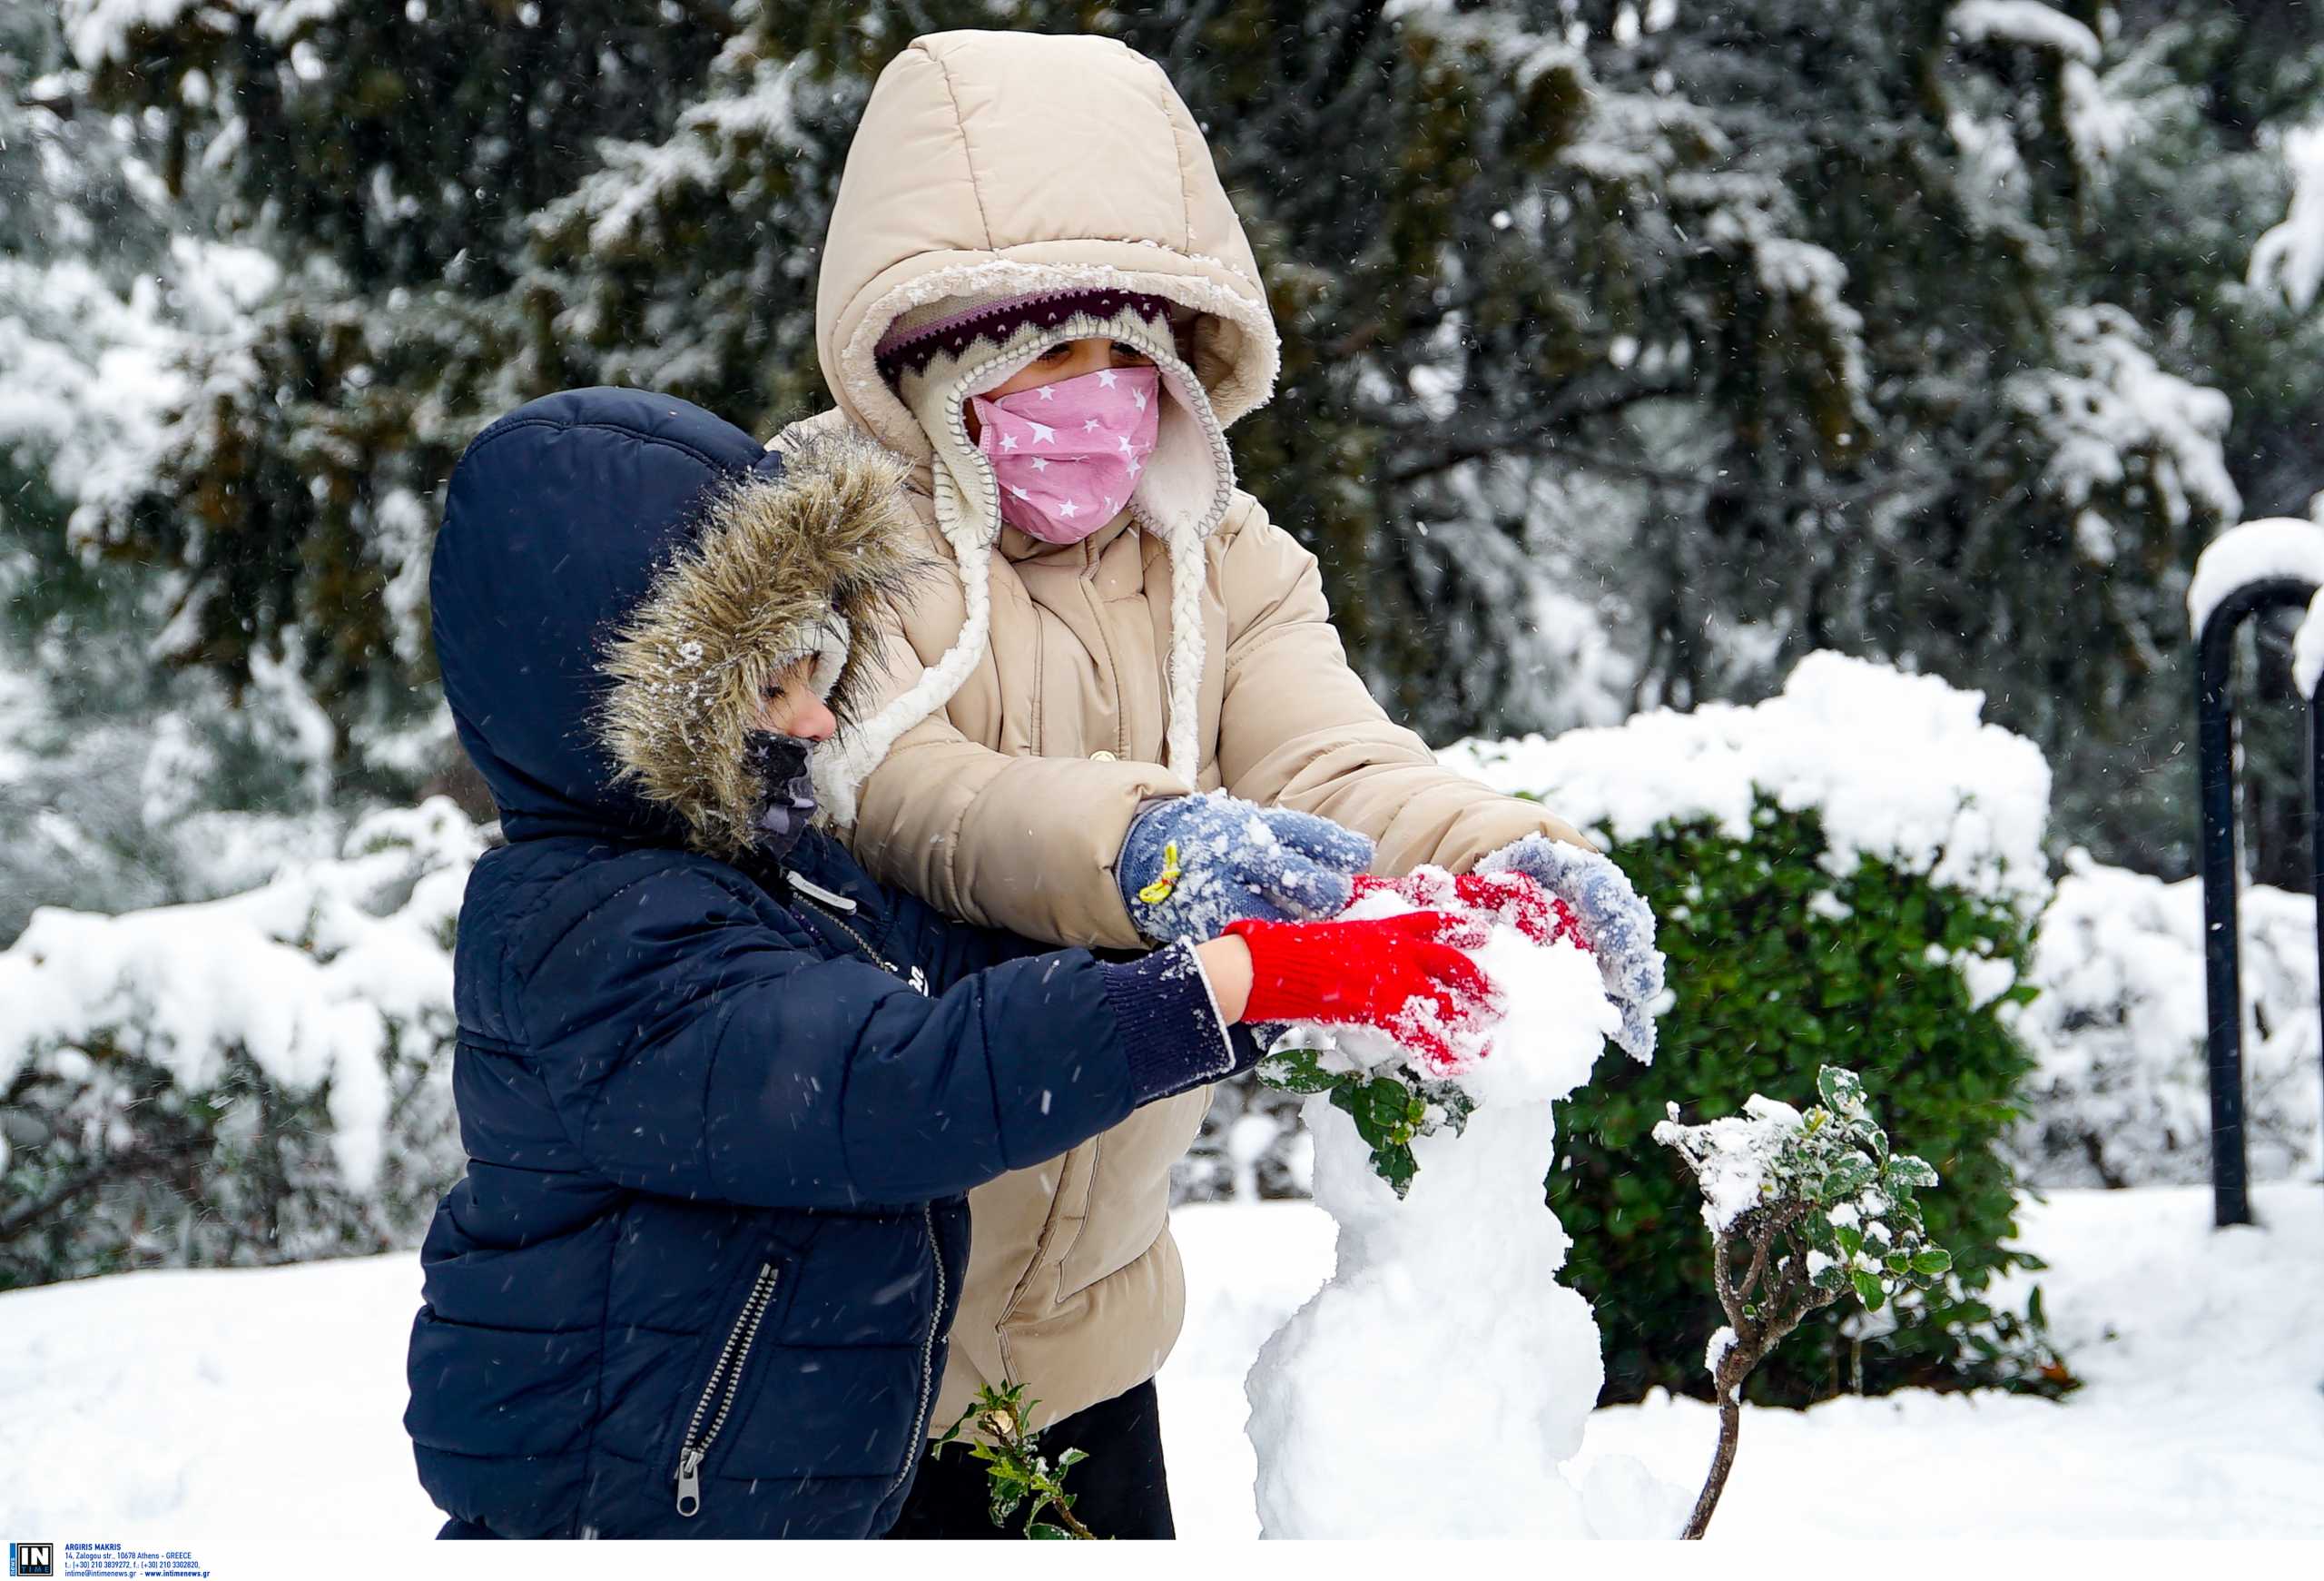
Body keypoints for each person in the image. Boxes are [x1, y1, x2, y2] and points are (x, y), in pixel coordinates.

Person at [770, 29, 1669, 1537]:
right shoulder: (833, 543)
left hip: (1092, 1329)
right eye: (1053, 351)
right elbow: (901, 787)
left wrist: (1510, 856)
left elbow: (1330, 752)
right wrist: (1141, 849)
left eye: (1136, 351)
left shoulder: (1224, 563)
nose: (1104, 393)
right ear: (942, 349)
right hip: (841, 1326)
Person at [401, 386, 1498, 1539]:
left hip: (771, 1488)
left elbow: (961, 974)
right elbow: (894, 1083)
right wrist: (1230, 986)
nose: (818, 722)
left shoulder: (773, 873)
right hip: (626, 1518)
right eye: (769, 686)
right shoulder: (589, 937)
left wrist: (1254, 947)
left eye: (820, 672)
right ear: (617, 710)